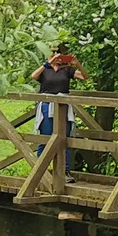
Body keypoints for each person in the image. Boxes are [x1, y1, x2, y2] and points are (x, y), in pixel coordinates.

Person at [30, 43, 88, 181]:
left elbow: (85, 77)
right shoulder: (45, 69)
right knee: (45, 137)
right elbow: (33, 76)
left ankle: (64, 171)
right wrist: (48, 63)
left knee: (64, 138)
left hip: (63, 106)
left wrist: (77, 64)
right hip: (46, 105)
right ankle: (40, 170)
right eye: (53, 53)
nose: (56, 55)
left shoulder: (66, 70)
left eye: (58, 53)